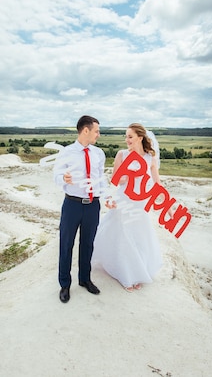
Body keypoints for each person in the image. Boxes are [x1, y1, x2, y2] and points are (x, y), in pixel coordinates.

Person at [91, 123, 163, 292]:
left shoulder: (150, 158)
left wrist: (167, 203)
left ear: (140, 137)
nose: (127, 140)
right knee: (124, 235)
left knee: (138, 235)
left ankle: (137, 272)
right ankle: (126, 275)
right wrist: (126, 174)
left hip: (141, 202)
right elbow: (115, 179)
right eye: (126, 136)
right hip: (124, 199)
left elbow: (157, 182)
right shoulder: (122, 154)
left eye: (130, 136)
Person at [53, 115, 106, 303]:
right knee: (66, 244)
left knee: (88, 244)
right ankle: (65, 284)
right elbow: (56, 175)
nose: (98, 134)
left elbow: (101, 178)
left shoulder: (98, 153)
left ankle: (85, 279)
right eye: (96, 131)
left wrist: (105, 197)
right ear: (86, 130)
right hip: (72, 205)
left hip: (93, 205)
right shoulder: (66, 152)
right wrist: (63, 179)